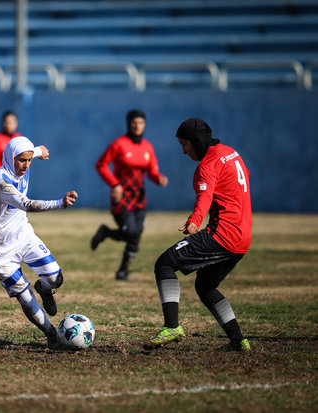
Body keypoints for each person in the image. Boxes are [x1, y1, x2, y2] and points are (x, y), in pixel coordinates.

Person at [144, 118, 252, 352]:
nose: (183, 151)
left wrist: (194, 221)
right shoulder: (231, 153)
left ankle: (171, 326)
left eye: (184, 144)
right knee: (205, 286)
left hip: (223, 234)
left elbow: (204, 197)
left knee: (165, 263)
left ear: (197, 141)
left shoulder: (207, 165)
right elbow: (245, 179)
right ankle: (238, 341)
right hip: (243, 238)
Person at [0, 136, 78, 349]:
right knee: (25, 296)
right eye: (21, 160)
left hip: (23, 235)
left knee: (55, 278)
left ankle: (45, 289)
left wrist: (39, 151)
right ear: (10, 157)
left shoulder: (25, 157)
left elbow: (35, 150)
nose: (25, 165)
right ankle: (51, 334)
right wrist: (60, 203)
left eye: (29, 160)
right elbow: (27, 204)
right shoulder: (1, 182)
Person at [90, 109, 168, 280]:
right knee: (131, 231)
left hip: (139, 198)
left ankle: (123, 271)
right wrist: (115, 184)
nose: (137, 126)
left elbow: (152, 172)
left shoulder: (147, 147)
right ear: (128, 124)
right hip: (121, 197)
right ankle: (105, 232)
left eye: (140, 122)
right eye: (134, 122)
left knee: (136, 234)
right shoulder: (119, 144)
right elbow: (101, 165)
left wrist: (159, 179)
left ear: (144, 125)